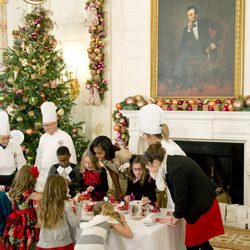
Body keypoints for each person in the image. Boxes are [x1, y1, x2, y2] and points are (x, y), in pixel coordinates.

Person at [143, 142, 224, 250]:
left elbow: (182, 197)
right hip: (204, 202)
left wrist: (177, 215)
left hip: (203, 207)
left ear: (155, 163)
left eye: (148, 167)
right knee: (203, 244)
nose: (148, 170)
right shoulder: (171, 162)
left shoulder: (175, 169)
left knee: (192, 245)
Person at [139, 104, 186, 208]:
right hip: (174, 194)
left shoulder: (168, 151)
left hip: (182, 197)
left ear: (150, 135)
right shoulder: (163, 144)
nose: (143, 138)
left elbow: (163, 185)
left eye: (143, 135)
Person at [173, 5, 224, 89]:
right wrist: (189, 31)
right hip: (195, 51)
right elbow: (183, 44)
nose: (189, 17)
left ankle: (181, 81)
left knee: (184, 56)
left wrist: (214, 43)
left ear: (196, 15)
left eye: (191, 14)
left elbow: (220, 27)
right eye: (188, 15)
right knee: (182, 54)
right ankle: (182, 81)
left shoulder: (205, 22)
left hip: (207, 50)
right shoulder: (186, 29)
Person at [35, 102, 77, 192]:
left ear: (55, 123)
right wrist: (36, 173)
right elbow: (38, 158)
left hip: (59, 175)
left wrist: (68, 178)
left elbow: (72, 158)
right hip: (43, 177)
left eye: (49, 125)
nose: (46, 128)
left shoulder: (65, 137)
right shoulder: (43, 137)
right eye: (44, 125)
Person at [36, 175, 83, 250]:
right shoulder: (65, 204)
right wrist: (79, 206)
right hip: (63, 244)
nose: (67, 189)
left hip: (44, 244)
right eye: (65, 186)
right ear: (61, 189)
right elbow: (74, 224)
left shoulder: (42, 204)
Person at [1, 165, 40, 249]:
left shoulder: (13, 190)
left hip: (15, 225)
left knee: (15, 244)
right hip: (27, 225)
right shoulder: (30, 194)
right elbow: (45, 197)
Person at [89, 135, 132, 200]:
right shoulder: (103, 158)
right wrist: (119, 192)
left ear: (107, 150)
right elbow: (112, 172)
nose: (97, 156)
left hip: (133, 180)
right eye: (95, 153)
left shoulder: (123, 155)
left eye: (99, 153)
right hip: (121, 180)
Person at [0, 110, 26, 190]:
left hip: (12, 179)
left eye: (8, 137)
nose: (6, 140)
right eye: (3, 138)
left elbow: (21, 163)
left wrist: (21, 180)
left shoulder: (15, 145)